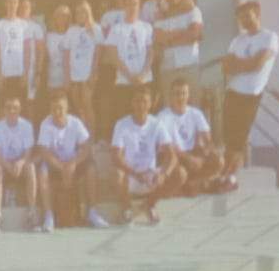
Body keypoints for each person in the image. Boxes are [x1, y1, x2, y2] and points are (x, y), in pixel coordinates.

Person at [220, 0, 279, 184]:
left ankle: (231, 178)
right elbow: (226, 67)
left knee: (239, 139)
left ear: (257, 14)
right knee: (228, 137)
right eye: (241, 18)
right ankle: (224, 176)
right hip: (232, 92)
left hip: (250, 95)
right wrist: (247, 63)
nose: (244, 21)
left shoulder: (269, 37)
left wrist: (239, 64)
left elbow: (257, 65)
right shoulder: (237, 40)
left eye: (247, 16)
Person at [34, 91, 96, 232]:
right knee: (42, 171)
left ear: (67, 108)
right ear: (50, 109)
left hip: (73, 163)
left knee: (91, 167)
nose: (57, 112)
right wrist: (62, 167)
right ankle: (49, 216)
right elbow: (44, 151)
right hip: (54, 165)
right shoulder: (46, 124)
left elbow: (86, 147)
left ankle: (93, 211)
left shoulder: (75, 122)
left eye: (60, 108)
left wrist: (73, 163)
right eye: (54, 109)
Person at [109, 84, 166, 226]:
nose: (141, 105)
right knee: (117, 173)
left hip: (150, 176)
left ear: (150, 104)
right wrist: (134, 173)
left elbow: (171, 154)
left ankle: (150, 205)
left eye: (145, 101)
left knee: (177, 173)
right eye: (137, 101)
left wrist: (163, 173)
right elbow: (115, 156)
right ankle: (126, 209)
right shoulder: (122, 124)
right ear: (132, 103)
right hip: (130, 176)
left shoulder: (157, 124)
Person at [102, 0, 154, 139]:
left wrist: (143, 74)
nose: (132, 7)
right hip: (124, 82)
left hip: (144, 81)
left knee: (145, 119)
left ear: (139, 6)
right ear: (124, 6)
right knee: (124, 118)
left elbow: (151, 52)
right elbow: (112, 55)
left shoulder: (146, 27)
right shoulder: (116, 29)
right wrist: (129, 75)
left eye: (135, 4)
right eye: (129, 4)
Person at [156, 75, 221, 195]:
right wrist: (189, 158)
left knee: (218, 160)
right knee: (180, 174)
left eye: (184, 93)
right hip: (173, 157)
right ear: (170, 96)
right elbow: (168, 148)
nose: (181, 97)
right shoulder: (162, 117)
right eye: (177, 94)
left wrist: (206, 151)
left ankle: (191, 184)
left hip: (192, 153)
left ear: (188, 95)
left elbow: (207, 139)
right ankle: (187, 185)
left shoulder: (196, 113)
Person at [0, 94, 39, 234]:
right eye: (8, 107)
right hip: (4, 165)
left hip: (21, 165)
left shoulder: (27, 126)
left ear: (20, 109)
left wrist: (20, 163)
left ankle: (32, 212)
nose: (12, 111)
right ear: (4, 110)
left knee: (31, 167)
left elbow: (28, 153)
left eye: (15, 107)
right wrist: (9, 166)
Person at [153, 0, 204, 86]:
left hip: (190, 64)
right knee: (168, 96)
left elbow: (195, 34)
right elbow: (158, 38)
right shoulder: (160, 16)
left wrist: (169, 41)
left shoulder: (193, 11)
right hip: (168, 66)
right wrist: (183, 32)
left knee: (193, 96)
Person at [0, 0, 32, 114]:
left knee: (21, 109)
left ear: (18, 4)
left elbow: (27, 51)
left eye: (14, 2)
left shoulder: (24, 25)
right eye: (9, 2)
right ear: (5, 4)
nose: (12, 5)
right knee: (3, 109)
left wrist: (25, 74)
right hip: (4, 74)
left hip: (20, 74)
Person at [65, 0, 100, 134]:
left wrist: (93, 73)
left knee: (87, 105)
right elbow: (67, 55)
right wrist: (67, 76)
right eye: (78, 12)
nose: (80, 14)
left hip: (88, 75)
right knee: (78, 107)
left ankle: (92, 136)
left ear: (88, 13)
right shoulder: (71, 30)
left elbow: (98, 53)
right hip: (74, 75)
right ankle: (82, 136)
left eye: (83, 12)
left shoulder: (95, 29)